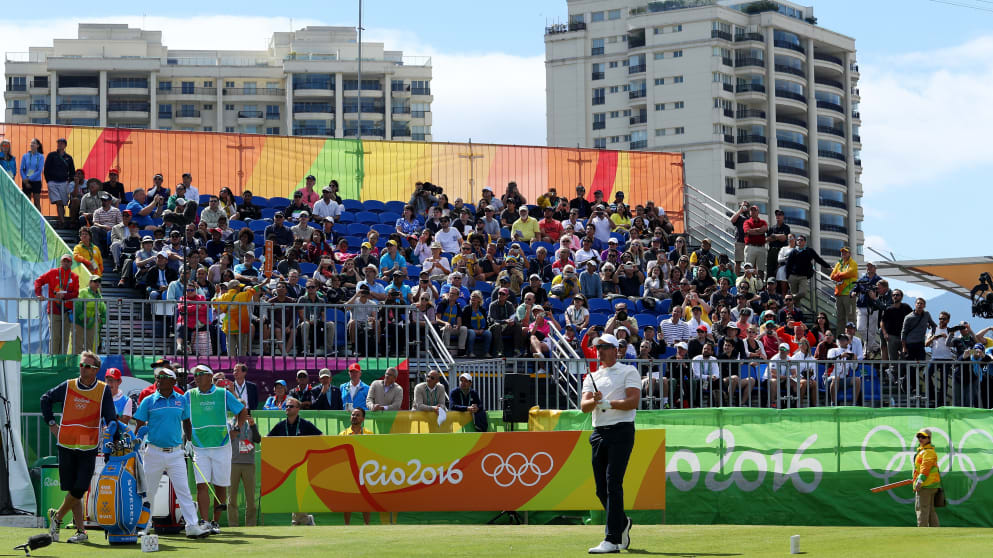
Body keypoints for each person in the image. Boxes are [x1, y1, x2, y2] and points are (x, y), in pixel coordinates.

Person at [39, 351, 118, 543]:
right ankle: (81, 532)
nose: (83, 368)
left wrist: (113, 437)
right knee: (74, 489)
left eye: (88, 366)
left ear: (96, 370)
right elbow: (45, 399)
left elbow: (110, 418)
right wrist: (52, 424)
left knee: (80, 488)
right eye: (82, 365)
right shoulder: (69, 385)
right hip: (65, 444)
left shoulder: (103, 389)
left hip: (88, 446)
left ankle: (57, 517)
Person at [133, 367, 211, 538]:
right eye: (157, 377)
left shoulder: (182, 400)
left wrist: (189, 442)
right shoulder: (148, 401)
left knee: (183, 490)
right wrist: (137, 443)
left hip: (176, 453)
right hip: (153, 452)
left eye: (163, 377)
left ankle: (191, 526)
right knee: (148, 492)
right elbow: (139, 425)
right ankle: (143, 526)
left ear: (173, 382)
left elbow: (187, 422)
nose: (159, 379)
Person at [581, 333, 639, 553]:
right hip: (598, 433)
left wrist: (607, 403)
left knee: (613, 483)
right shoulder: (591, 376)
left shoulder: (628, 371)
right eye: (598, 347)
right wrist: (594, 401)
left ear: (616, 350)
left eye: (605, 347)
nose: (600, 350)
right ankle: (622, 522)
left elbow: (633, 401)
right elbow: (584, 407)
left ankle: (612, 539)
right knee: (600, 489)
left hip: (621, 431)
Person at [187, 365, 247, 534]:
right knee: (202, 485)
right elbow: (181, 414)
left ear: (210, 376)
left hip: (221, 446)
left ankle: (215, 522)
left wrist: (237, 428)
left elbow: (242, 411)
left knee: (220, 485)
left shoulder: (223, 394)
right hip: (199, 446)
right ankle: (205, 521)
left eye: (200, 374)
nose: (196, 377)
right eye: (195, 375)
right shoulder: (190, 395)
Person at [267, 396, 322, 526]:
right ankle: (303, 519)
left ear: (298, 409)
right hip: (285, 465)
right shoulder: (281, 425)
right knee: (291, 493)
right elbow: (268, 440)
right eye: (286, 406)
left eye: (290, 406)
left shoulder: (305, 424)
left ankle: (299, 519)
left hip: (302, 464)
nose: (287, 408)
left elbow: (320, 438)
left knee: (299, 491)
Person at [35, 254, 79, 354]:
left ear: (71, 263)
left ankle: (61, 364)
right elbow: (38, 281)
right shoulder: (52, 273)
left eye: (68, 261)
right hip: (54, 310)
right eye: (64, 261)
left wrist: (65, 296)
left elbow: (76, 293)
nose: (66, 263)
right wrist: (39, 294)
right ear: (61, 262)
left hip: (67, 312)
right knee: (55, 337)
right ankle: (54, 363)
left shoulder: (74, 277)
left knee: (65, 338)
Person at [227, 402, 261, 527]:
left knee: (251, 497)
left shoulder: (250, 424)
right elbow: (226, 439)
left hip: (249, 464)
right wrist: (235, 427)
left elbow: (257, 439)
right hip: (233, 463)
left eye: (243, 409)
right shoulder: (230, 424)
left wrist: (253, 426)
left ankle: (251, 525)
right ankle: (233, 524)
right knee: (232, 498)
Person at [912, 429, 941, 527]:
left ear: (929, 438)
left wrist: (919, 481)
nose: (920, 439)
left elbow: (925, 468)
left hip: (926, 485)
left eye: (923, 437)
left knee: (921, 509)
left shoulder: (927, 452)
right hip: (930, 484)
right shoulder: (925, 451)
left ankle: (922, 532)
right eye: (919, 436)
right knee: (930, 510)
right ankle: (935, 532)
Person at [44, 138, 76, 227]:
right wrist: (48, 181)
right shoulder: (51, 155)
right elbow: (46, 169)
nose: (60, 145)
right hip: (53, 182)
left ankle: (61, 220)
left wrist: (70, 181)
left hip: (64, 183)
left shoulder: (69, 158)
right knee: (58, 202)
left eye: (62, 143)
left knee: (62, 203)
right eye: (59, 143)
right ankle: (62, 222)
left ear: (65, 145)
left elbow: (72, 171)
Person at [72, 275, 106, 353]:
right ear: (90, 282)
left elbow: (104, 309)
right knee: (77, 345)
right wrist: (83, 317)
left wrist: (103, 319)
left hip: (91, 323)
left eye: (99, 281)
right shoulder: (83, 292)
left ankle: (88, 364)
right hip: (79, 322)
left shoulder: (99, 296)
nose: (97, 283)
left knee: (90, 346)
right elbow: (77, 305)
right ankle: (75, 364)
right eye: (95, 281)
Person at [830, 247, 859, 331]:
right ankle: (840, 338)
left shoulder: (853, 263)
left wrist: (838, 275)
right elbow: (832, 276)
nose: (843, 254)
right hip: (839, 294)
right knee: (840, 318)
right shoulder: (839, 263)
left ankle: (851, 337)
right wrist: (840, 275)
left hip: (849, 294)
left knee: (851, 317)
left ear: (849, 253)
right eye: (842, 252)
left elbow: (849, 273)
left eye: (845, 252)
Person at [20, 138, 45, 214]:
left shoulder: (41, 157)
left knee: (37, 201)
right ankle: (27, 218)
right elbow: (21, 169)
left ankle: (39, 219)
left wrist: (29, 179)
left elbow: (39, 170)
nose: (32, 144)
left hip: (36, 181)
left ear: (37, 145)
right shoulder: (25, 156)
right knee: (27, 201)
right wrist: (25, 179)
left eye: (33, 143)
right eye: (31, 143)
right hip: (26, 181)